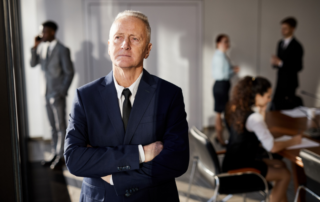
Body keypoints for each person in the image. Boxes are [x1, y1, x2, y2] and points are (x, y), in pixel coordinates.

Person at [64, 10, 189, 202]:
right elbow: (74, 158)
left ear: (148, 49)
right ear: (109, 46)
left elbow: (176, 161)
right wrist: (141, 153)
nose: (125, 45)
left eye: (134, 39)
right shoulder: (85, 96)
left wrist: (115, 178)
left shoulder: (169, 95)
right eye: (118, 37)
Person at [223, 76, 302, 202]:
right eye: (268, 96)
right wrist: (294, 141)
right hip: (240, 171)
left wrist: (262, 111)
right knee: (285, 175)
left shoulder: (238, 109)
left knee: (280, 164)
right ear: (258, 96)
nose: (270, 100)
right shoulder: (254, 118)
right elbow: (272, 147)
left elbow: (260, 131)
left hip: (231, 163)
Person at [30, 21, 74, 169]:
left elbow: (69, 72)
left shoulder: (62, 49)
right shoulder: (41, 48)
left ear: (52, 32)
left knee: (61, 126)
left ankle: (61, 156)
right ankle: (55, 153)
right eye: (41, 32)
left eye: (44, 32)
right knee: (51, 127)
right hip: (45, 93)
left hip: (57, 94)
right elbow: (32, 63)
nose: (42, 34)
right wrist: (35, 47)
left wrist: (62, 91)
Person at [271, 17, 304, 110]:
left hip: (290, 83)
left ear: (292, 29)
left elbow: (299, 66)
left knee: (287, 108)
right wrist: (275, 63)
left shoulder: (297, 46)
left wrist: (281, 63)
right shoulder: (280, 43)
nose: (283, 30)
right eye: (282, 28)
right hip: (279, 81)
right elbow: (279, 62)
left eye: (285, 28)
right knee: (275, 107)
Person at [212, 34, 239, 146]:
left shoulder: (222, 55)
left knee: (220, 113)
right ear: (218, 43)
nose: (227, 44)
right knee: (220, 114)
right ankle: (220, 139)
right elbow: (221, 74)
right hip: (221, 86)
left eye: (228, 41)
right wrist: (233, 71)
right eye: (225, 41)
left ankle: (220, 138)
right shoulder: (219, 56)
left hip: (222, 86)